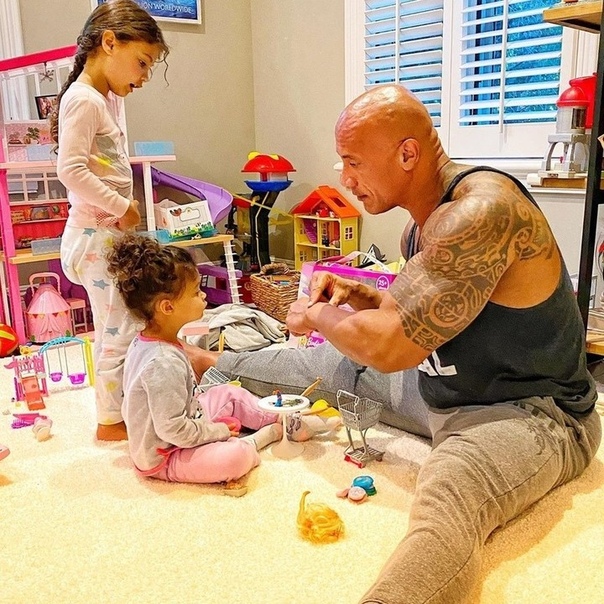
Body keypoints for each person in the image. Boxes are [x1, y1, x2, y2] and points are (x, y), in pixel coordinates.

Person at [193, 84, 602, 603]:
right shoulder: (421, 224)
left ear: (407, 153)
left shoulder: (481, 212)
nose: (345, 179)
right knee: (332, 364)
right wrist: (360, 296)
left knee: (450, 489)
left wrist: (315, 314)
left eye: (353, 162)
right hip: (442, 388)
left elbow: (391, 348)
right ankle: (211, 361)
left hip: (530, 411)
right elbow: (414, 316)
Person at [50, 0, 181, 440]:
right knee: (118, 331)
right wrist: (123, 207)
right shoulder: (84, 100)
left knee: (121, 325)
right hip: (95, 237)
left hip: (100, 237)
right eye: (141, 63)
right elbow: (70, 170)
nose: (143, 78)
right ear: (109, 42)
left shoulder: (97, 100)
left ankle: (122, 407)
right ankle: (109, 421)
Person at [105, 233, 283, 484]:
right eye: (196, 291)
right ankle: (259, 439)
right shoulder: (162, 362)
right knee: (234, 457)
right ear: (167, 307)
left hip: (188, 420)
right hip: (165, 455)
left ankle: (281, 418)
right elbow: (173, 430)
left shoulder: (153, 340)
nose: (203, 296)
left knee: (227, 393)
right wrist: (218, 432)